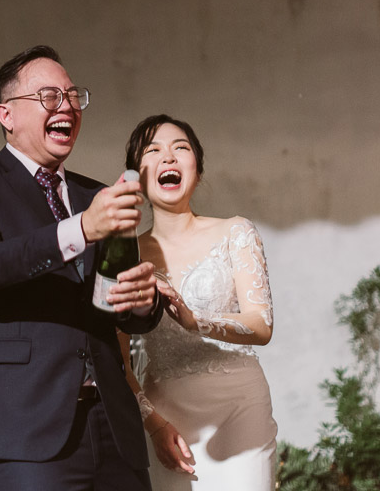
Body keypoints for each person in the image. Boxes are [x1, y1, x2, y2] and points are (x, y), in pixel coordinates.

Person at [0, 45, 164, 491]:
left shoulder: (95, 194)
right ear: (6, 115)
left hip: (112, 426)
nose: (67, 106)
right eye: (49, 96)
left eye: (73, 95)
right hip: (23, 427)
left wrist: (141, 301)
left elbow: (112, 302)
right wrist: (83, 227)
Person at [118, 114, 277, 490]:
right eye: (152, 151)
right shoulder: (123, 254)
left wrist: (196, 320)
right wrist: (153, 425)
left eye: (181, 149)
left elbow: (261, 325)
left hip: (241, 407)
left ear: (198, 171)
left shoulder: (236, 231)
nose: (168, 158)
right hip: (167, 419)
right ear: (136, 178)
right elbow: (116, 358)